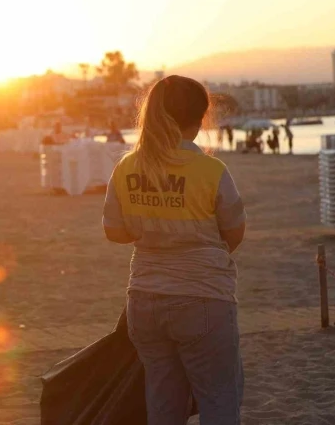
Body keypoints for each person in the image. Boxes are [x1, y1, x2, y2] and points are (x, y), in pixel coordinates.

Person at [102, 75, 246, 425]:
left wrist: (153, 227)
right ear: (199, 120)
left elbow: (114, 232)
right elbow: (234, 234)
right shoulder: (211, 170)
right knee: (219, 399)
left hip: (145, 298)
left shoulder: (127, 166)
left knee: (163, 402)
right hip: (203, 297)